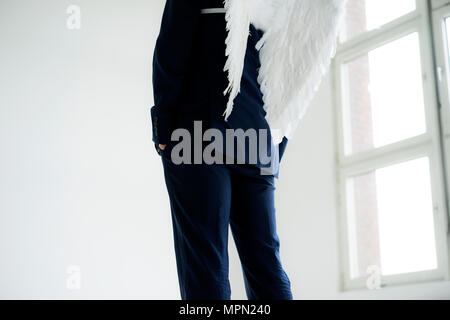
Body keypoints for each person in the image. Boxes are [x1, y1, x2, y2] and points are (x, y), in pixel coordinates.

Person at [150, 0, 346, 300]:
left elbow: (173, 46)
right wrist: (273, 149)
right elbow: (292, 83)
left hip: (197, 134)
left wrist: (163, 128)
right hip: (257, 139)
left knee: (206, 264)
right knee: (265, 262)